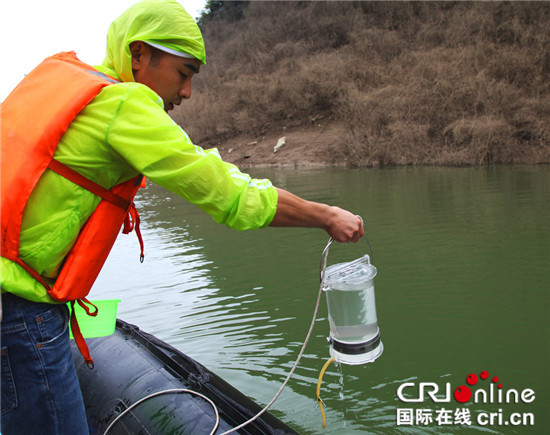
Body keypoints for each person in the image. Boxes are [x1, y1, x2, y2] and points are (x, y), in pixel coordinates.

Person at [0, 0, 363, 433]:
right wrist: (324, 215)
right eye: (183, 73)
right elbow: (227, 193)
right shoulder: (122, 106)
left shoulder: (69, 87)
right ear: (138, 55)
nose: (187, 92)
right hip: (19, 308)